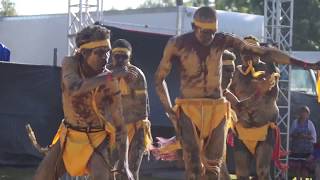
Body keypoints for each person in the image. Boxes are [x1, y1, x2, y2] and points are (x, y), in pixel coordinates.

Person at [154, 6, 320, 180]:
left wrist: (306, 64)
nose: (210, 37)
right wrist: (170, 111)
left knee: (213, 166)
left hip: (217, 109)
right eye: (205, 32)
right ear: (194, 26)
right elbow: (159, 79)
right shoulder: (177, 44)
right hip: (189, 108)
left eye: (213, 32)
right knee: (194, 166)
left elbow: (264, 52)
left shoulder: (222, 41)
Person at [33, 25, 133, 180]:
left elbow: (120, 125)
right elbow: (74, 88)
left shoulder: (110, 81)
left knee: (101, 177)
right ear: (84, 53)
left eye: (107, 51)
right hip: (69, 137)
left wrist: (124, 164)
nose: (105, 57)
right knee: (41, 177)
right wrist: (109, 76)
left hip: (97, 139)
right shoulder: (70, 64)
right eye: (99, 52)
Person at [107, 39, 153, 180]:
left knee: (130, 172)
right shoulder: (104, 74)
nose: (120, 60)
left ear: (130, 57)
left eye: (124, 57)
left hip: (135, 127)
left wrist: (131, 86)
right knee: (108, 171)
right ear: (111, 56)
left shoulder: (137, 75)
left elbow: (144, 110)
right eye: (117, 56)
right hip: (110, 129)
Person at [289, 105, 317, 179]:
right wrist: (297, 135)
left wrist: (305, 136)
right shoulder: (295, 122)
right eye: (302, 112)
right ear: (300, 113)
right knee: (297, 168)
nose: (304, 114)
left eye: (305, 113)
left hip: (307, 151)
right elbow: (291, 135)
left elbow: (314, 137)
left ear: (308, 114)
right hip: (296, 150)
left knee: (305, 168)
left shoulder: (310, 124)